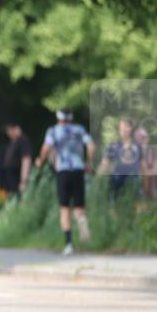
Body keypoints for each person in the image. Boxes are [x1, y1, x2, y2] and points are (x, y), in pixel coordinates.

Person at [35, 108, 95, 256]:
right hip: (78, 170)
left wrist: (40, 161)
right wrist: (89, 163)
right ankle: (82, 222)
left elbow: (46, 148)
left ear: (58, 118)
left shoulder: (54, 131)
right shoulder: (79, 129)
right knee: (79, 206)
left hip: (63, 171)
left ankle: (69, 244)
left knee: (64, 209)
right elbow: (91, 146)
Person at [98, 117, 145, 201]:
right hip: (117, 180)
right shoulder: (112, 146)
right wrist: (99, 179)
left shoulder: (138, 147)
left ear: (131, 129)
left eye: (126, 127)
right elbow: (104, 164)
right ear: (119, 130)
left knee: (136, 205)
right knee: (114, 205)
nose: (123, 130)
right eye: (121, 127)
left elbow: (143, 167)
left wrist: (145, 183)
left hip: (133, 181)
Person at [0, 120, 32, 198]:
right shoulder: (9, 142)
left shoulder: (23, 141)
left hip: (16, 178)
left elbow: (26, 160)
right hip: (6, 180)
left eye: (9, 130)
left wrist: (23, 180)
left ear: (16, 128)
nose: (8, 133)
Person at [136, 125, 157, 201]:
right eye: (139, 138)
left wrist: (146, 174)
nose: (142, 140)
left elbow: (155, 168)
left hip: (149, 181)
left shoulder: (151, 151)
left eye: (143, 137)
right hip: (136, 181)